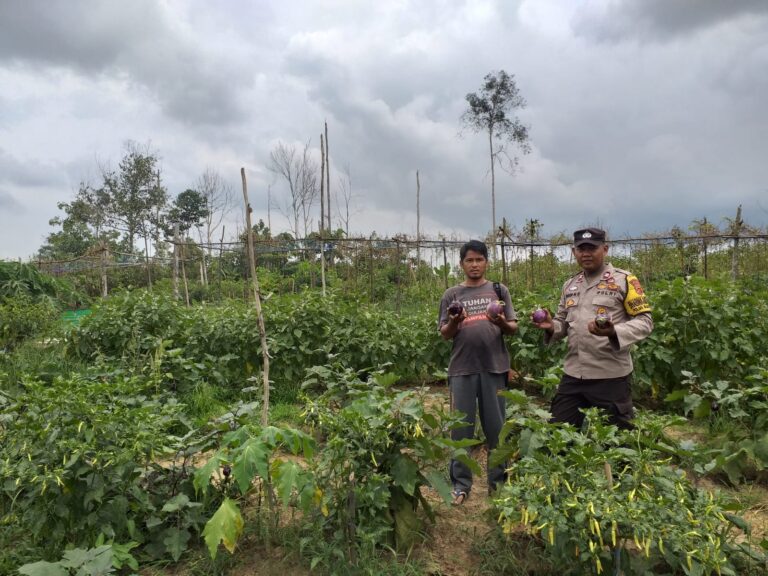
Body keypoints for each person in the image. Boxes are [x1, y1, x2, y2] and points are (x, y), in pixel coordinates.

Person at [531, 227, 653, 430]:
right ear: (574, 252)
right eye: (581, 249)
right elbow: (562, 322)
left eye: (592, 248)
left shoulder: (624, 280)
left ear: (605, 249)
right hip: (574, 374)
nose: (586, 253)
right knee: (557, 436)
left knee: (618, 444)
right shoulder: (570, 285)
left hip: (610, 376)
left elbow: (645, 321)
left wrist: (614, 332)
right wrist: (551, 326)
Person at [438, 239, 518, 505]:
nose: (474, 264)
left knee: (497, 429)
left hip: (495, 367)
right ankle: (461, 485)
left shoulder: (498, 290)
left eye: (479, 259)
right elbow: (445, 335)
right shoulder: (452, 295)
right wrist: (454, 321)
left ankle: (499, 486)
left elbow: (513, 328)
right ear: (461, 264)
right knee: (461, 430)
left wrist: (500, 321)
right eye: (469, 260)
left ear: (486, 262)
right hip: (462, 369)